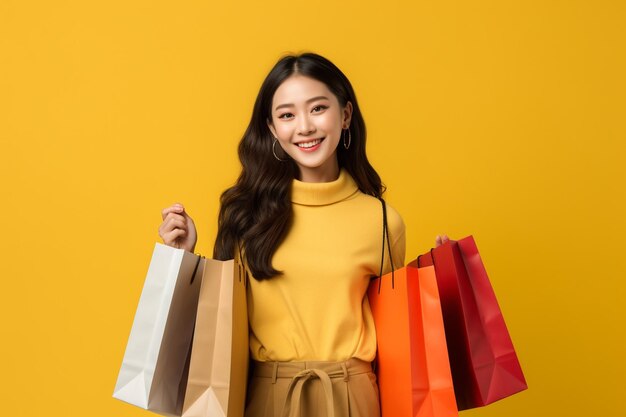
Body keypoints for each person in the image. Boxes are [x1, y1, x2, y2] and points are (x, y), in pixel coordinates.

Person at [157, 52, 450, 417]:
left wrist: (445, 281)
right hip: (269, 398)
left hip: (353, 397)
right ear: (271, 128)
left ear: (344, 115)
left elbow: (398, 344)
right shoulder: (245, 214)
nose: (305, 127)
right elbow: (218, 329)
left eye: (317, 109)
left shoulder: (383, 221)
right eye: (287, 115)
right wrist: (183, 258)